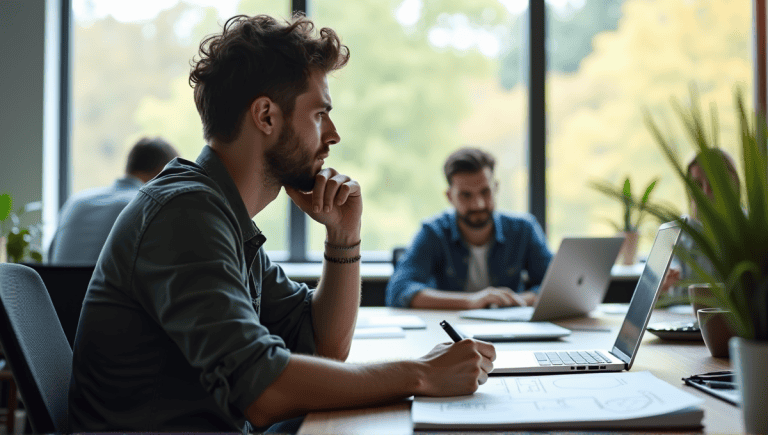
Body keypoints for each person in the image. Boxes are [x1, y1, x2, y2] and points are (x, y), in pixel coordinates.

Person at [68, 14, 495, 435]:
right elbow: (263, 392)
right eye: (319, 115)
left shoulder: (221, 215)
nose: (333, 135)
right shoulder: (185, 215)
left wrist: (344, 237)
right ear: (267, 116)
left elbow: (324, 347)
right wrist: (421, 375)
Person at [385, 147, 553, 309]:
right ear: (450, 196)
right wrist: (471, 301)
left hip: (510, 329)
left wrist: (516, 301)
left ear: (496, 188)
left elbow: (555, 286)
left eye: (485, 192)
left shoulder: (524, 229)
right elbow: (398, 291)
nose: (478, 204)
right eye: (466, 195)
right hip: (450, 333)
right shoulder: (433, 232)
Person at [48, 137, 178, 265]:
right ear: (164, 170)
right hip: (105, 286)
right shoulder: (148, 206)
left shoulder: (75, 202)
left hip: (58, 286)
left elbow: (50, 258)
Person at [660, 148, 740, 296]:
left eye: (714, 184)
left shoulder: (751, 233)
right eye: (697, 185)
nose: (705, 193)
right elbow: (662, 293)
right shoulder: (676, 232)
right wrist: (662, 287)